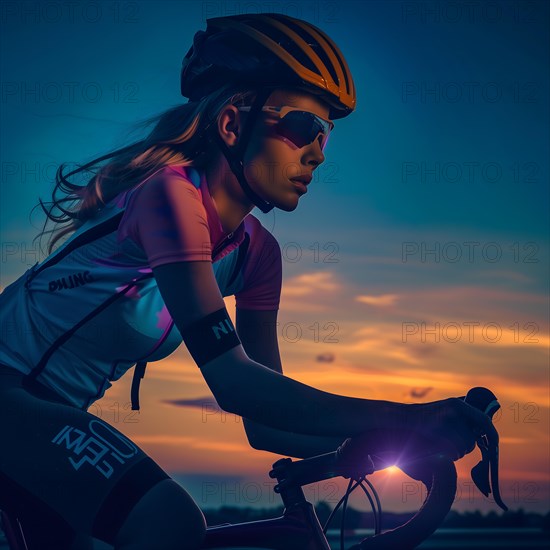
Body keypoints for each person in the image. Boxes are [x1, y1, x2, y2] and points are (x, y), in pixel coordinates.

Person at [0, 12, 497, 550]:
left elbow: (264, 424)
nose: (319, 153)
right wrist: (411, 417)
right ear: (232, 125)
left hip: (51, 416)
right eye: (305, 127)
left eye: (326, 135)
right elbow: (233, 383)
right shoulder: (170, 197)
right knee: (167, 521)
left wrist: (389, 436)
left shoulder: (258, 255)